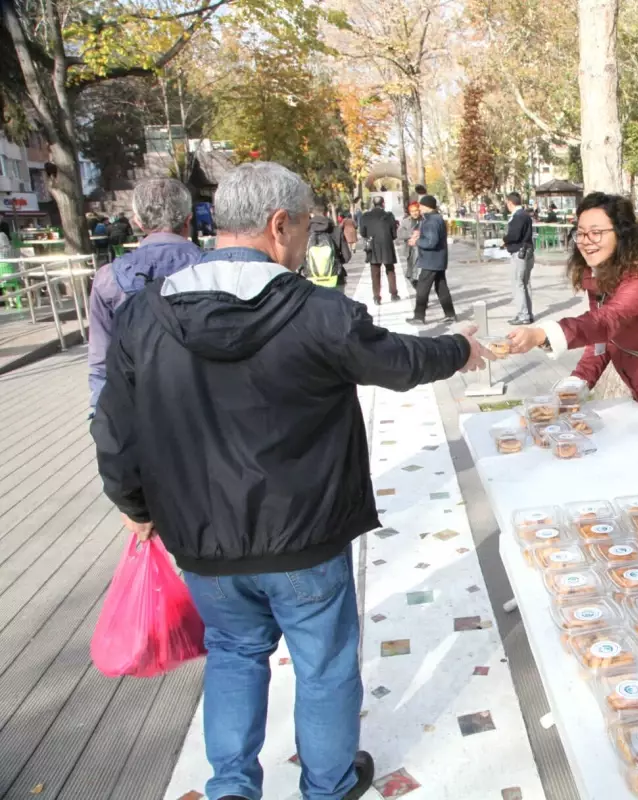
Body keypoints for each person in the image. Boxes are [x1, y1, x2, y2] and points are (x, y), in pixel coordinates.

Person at [90, 161, 492, 800]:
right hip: (304, 534)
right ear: (279, 225)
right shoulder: (318, 311)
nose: (309, 241)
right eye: (306, 228)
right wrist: (458, 348)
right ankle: (328, 786)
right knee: (324, 665)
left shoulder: (144, 315)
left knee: (233, 654)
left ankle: (229, 787)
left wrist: (138, 505)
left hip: (200, 539)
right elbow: (398, 362)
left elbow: (112, 429)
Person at [506, 192, 638, 415]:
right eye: (581, 233)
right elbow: (602, 339)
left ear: (621, 234)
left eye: (596, 233)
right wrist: (576, 384)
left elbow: (605, 322)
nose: (586, 242)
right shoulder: (604, 277)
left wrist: (543, 333)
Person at [87, 178, 202, 412]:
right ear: (188, 220)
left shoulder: (108, 278)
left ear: (137, 222)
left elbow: (101, 361)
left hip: (137, 411)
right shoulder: (217, 269)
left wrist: (101, 417)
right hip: (206, 413)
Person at [405, 195, 456, 325]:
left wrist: (417, 241)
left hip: (431, 260)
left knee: (422, 288)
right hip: (438, 259)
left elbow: (431, 242)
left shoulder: (431, 220)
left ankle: (419, 316)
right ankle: (450, 314)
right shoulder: (435, 218)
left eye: (421, 206)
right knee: (441, 287)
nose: (419, 208)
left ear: (427, 206)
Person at [359, 196, 399, 305]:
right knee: (390, 270)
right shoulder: (389, 216)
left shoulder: (365, 216)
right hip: (387, 244)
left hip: (373, 245)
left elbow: (362, 233)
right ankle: (394, 294)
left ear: (373, 204)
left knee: (375, 272)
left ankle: (376, 297)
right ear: (383, 203)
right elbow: (394, 234)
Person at [503, 192, 535, 325]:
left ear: (510, 203)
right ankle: (528, 313)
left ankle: (523, 315)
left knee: (518, 283)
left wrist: (504, 240)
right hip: (528, 251)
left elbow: (514, 235)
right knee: (525, 283)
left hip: (519, 252)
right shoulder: (526, 215)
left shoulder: (517, 216)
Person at [396, 201, 421, 288]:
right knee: (411, 271)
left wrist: (420, 234)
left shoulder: (424, 220)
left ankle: (420, 288)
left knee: (418, 270)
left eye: (416, 210)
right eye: (412, 211)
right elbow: (399, 234)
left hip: (422, 249)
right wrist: (411, 234)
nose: (415, 213)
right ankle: (414, 281)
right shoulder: (405, 221)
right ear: (410, 212)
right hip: (409, 249)